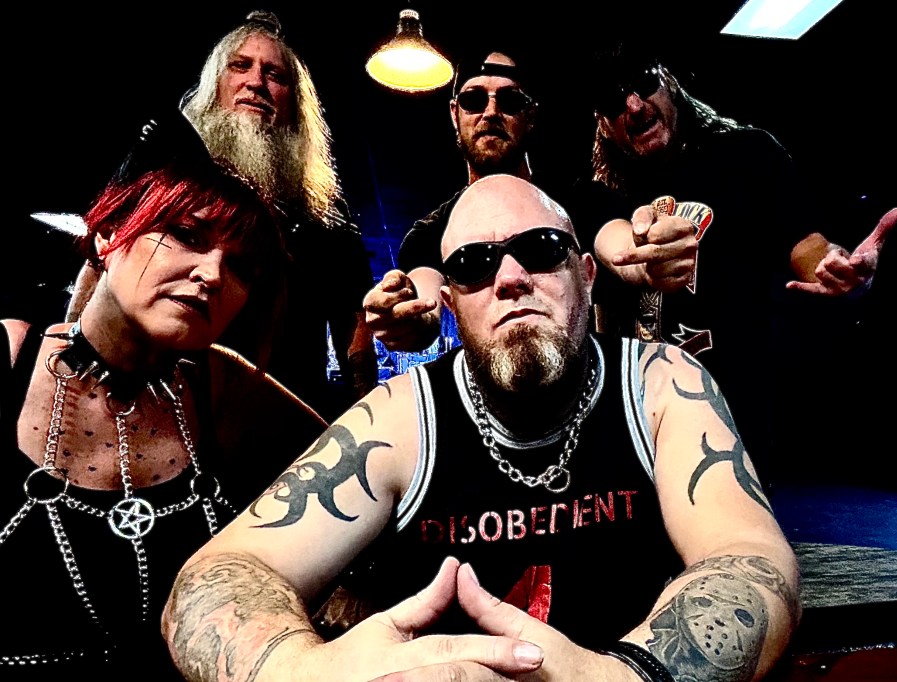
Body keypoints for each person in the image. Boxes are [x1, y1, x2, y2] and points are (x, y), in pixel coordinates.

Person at [162, 175, 801, 682]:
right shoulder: (403, 416)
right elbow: (220, 576)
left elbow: (749, 559)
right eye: (473, 264)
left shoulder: (659, 383)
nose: (510, 278)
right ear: (452, 304)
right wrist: (307, 672)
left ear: (585, 274)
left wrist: (617, 677)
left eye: (541, 250)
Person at [0, 128, 329, 679]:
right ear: (109, 234)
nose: (213, 275)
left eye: (241, 268)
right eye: (186, 234)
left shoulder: (220, 383)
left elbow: (364, 464)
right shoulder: (9, 358)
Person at [567, 41, 897, 488]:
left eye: (644, 82)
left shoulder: (748, 156)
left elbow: (806, 245)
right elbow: (613, 244)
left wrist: (839, 271)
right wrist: (645, 262)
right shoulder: (597, 192)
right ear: (603, 125)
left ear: (670, 82)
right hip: (636, 427)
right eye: (613, 100)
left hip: (735, 423)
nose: (633, 105)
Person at [179, 10, 378, 421]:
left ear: (295, 103)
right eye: (240, 66)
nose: (256, 83)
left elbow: (354, 331)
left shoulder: (325, 214)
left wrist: (364, 425)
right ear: (215, 84)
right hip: (171, 416)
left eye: (275, 75)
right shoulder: (171, 183)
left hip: (285, 428)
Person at [362, 46, 540, 353]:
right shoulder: (431, 234)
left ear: (530, 115)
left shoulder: (578, 205)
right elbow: (424, 299)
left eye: (510, 100)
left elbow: (617, 248)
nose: (491, 112)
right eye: (474, 100)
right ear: (455, 114)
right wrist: (408, 314)